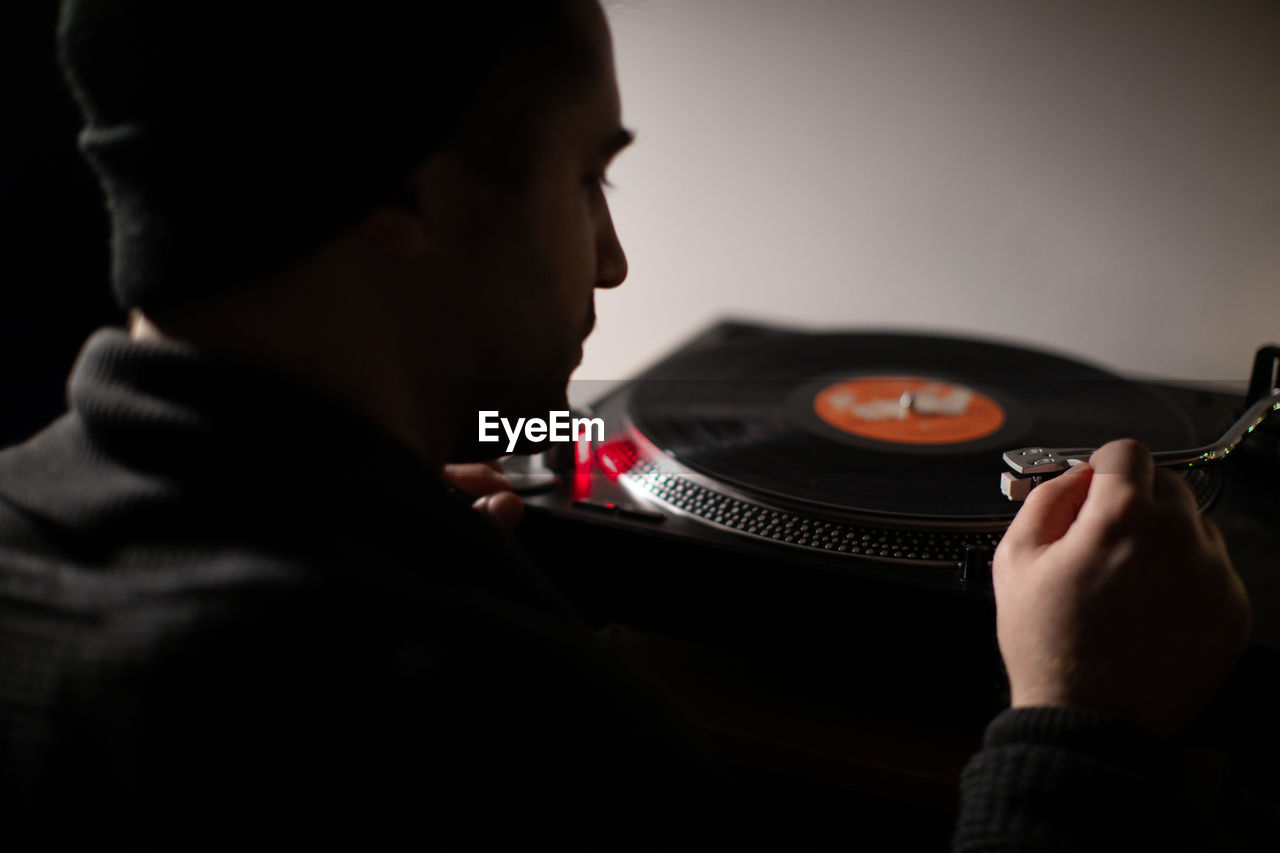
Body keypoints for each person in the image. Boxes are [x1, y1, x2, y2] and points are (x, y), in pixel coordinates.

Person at [0, 0, 1252, 849]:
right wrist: (1075, 733)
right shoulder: (484, 730)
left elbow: (557, 452)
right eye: (587, 176)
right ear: (413, 198)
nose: (610, 262)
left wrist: (413, 544)